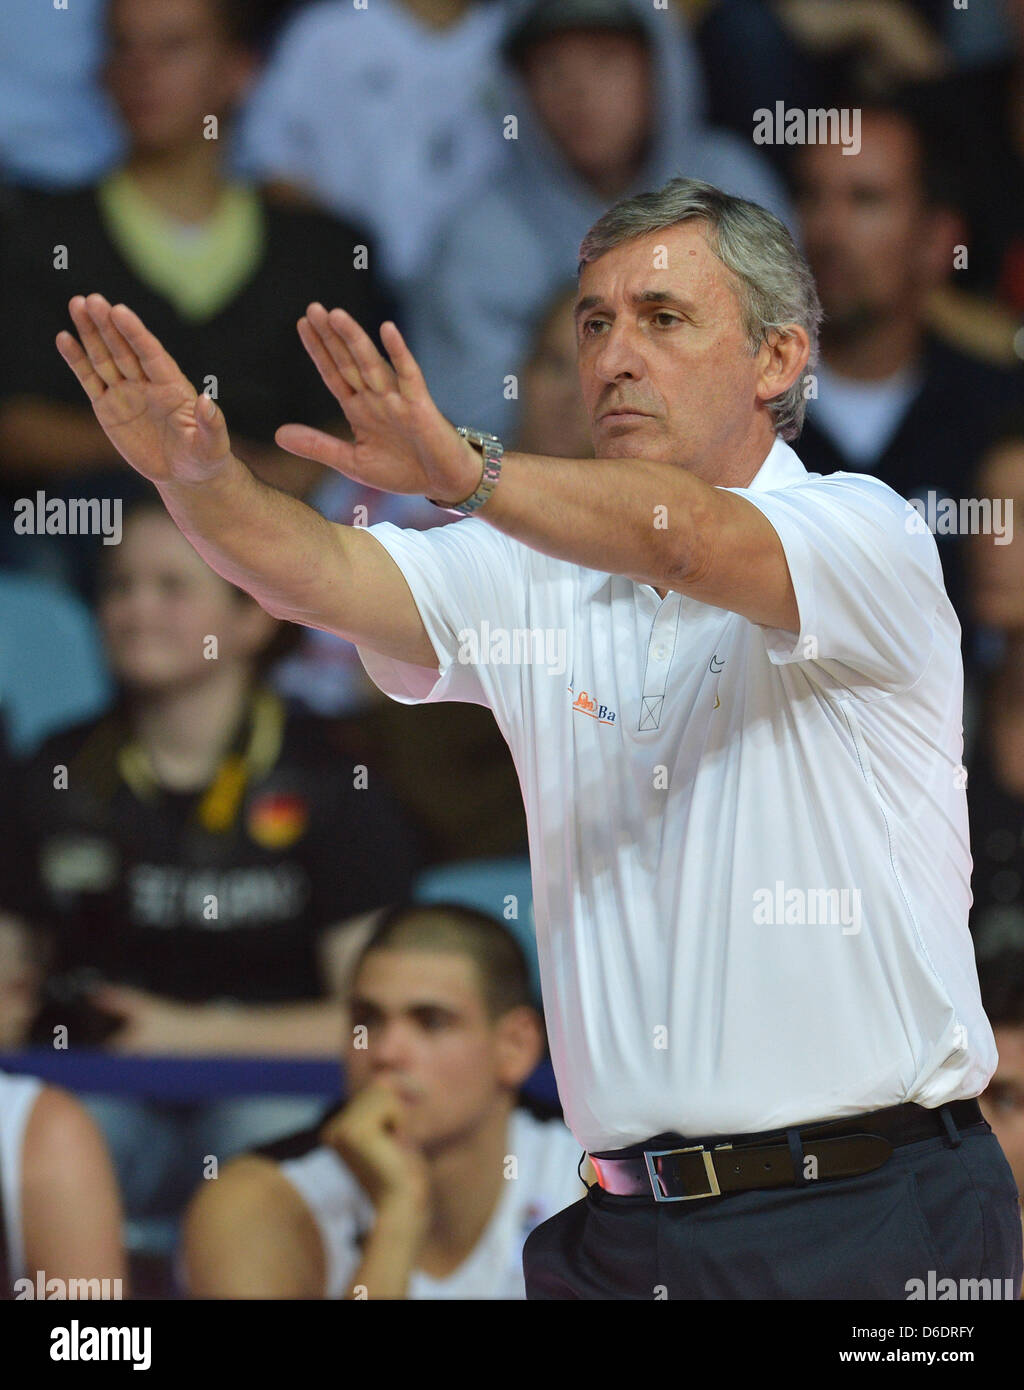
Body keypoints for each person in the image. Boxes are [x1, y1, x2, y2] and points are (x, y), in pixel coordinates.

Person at [55, 172, 1022, 1300]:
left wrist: (468, 472)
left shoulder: (867, 533)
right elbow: (321, 575)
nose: (614, 353)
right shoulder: (537, 573)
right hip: (622, 1229)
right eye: (595, 322)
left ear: (775, 360)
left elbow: (687, 538)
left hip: (867, 1215)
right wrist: (199, 478)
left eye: (662, 319)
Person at [404, 0, 793, 442]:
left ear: (661, 69)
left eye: (606, 62)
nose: (579, 92)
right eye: (553, 68)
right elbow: (467, 429)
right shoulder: (477, 235)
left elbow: (785, 366)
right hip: (539, 497)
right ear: (520, 89)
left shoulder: (733, 187)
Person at [181, 902, 584, 1298]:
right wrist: (399, 1211)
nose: (386, 1052)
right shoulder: (256, 1205)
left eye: (431, 1022)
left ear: (515, 1045)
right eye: (368, 1018)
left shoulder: (592, 1182)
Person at [791, 99, 1024, 632]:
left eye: (865, 200)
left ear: (938, 239)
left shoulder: (998, 417)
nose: (827, 230)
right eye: (811, 197)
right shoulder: (741, 412)